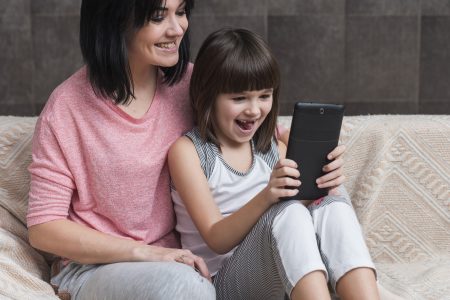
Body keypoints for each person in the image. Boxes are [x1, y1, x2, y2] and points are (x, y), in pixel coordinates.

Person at [168, 28, 380, 300]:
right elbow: (216, 238)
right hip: (222, 281)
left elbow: (306, 215)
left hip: (280, 275)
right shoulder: (188, 152)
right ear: (207, 95)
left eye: (264, 96)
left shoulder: (270, 146)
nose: (254, 110)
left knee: (332, 207)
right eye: (239, 98)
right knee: (287, 212)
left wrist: (326, 184)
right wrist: (268, 196)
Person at [26, 0, 216, 299]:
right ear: (115, 22)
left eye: (180, 12)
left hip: (183, 260)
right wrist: (145, 253)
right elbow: (44, 228)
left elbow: (255, 134)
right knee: (185, 287)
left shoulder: (194, 85)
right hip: (96, 268)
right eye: (158, 17)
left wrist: (297, 153)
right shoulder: (66, 107)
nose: (177, 28)